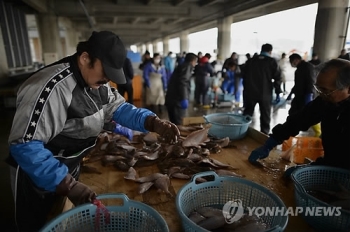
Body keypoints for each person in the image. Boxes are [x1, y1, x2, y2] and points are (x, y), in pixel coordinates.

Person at [6, 31, 180, 231]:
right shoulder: (51, 88)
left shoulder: (98, 84)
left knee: (65, 220)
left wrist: (152, 122)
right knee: (39, 224)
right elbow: (24, 144)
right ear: (85, 58)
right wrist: (66, 184)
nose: (106, 79)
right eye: (104, 72)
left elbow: (119, 108)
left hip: (69, 163)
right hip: (37, 172)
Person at [248, 58, 350, 172]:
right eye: (318, 88)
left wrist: (314, 168)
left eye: (325, 90)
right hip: (330, 166)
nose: (321, 94)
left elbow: (343, 156)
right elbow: (299, 120)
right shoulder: (325, 101)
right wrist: (271, 142)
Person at [242, 43, 281, 134]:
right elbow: (277, 77)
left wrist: (246, 90)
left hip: (250, 93)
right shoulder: (271, 61)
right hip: (265, 93)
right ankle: (264, 134)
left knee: (247, 114)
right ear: (270, 51)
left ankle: (242, 132)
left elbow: (244, 76)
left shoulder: (250, 61)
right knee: (265, 115)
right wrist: (278, 91)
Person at [287, 53, 321, 137]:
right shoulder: (299, 69)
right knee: (293, 113)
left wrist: (309, 95)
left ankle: (318, 132)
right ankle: (290, 133)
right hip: (299, 96)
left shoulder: (308, 67)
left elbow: (311, 81)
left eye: (291, 62)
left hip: (306, 95)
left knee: (309, 114)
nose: (291, 64)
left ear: (296, 60)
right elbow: (298, 84)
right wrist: (291, 93)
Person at [165, 53, 198, 125]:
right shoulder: (187, 66)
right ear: (193, 61)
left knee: (174, 123)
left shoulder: (181, 66)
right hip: (177, 101)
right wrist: (184, 98)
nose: (195, 64)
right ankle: (178, 136)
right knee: (179, 123)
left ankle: (173, 136)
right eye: (196, 62)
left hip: (171, 99)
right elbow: (183, 82)